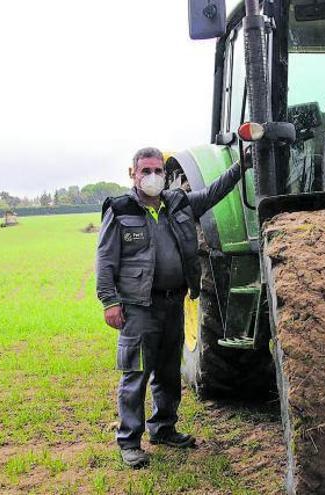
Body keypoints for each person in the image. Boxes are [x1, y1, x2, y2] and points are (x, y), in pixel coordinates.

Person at [95, 146, 246, 468]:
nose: (152, 177)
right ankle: (129, 441)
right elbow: (105, 260)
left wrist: (242, 164)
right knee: (136, 374)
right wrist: (109, 301)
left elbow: (216, 191)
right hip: (138, 308)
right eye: (145, 171)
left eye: (157, 171)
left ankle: (163, 428)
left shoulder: (179, 203)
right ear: (133, 174)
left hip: (173, 303)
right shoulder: (120, 210)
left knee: (167, 372)